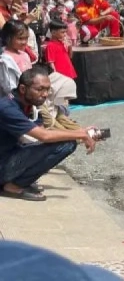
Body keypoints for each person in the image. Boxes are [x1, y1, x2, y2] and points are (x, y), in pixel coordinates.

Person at [0, 67, 96, 201]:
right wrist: (79, 134)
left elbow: (46, 132)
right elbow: (43, 136)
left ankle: (14, 179)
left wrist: (81, 132)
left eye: (47, 89)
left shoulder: (31, 105)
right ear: (23, 89)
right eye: (40, 89)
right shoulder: (7, 108)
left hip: (9, 154)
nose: (45, 94)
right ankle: (13, 186)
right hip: (3, 161)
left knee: (63, 142)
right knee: (66, 145)